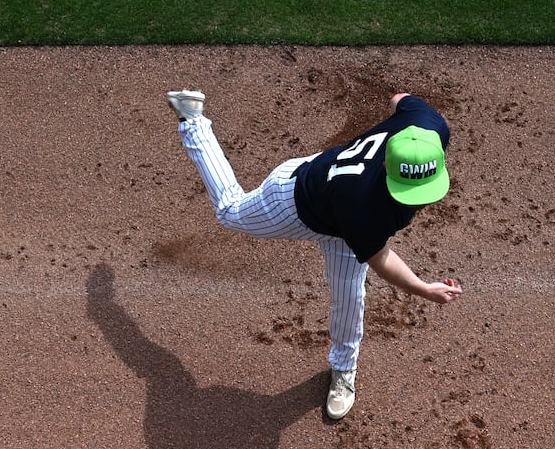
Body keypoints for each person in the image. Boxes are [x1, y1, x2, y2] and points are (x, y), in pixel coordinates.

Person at [165, 88, 463, 420]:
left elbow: (399, 99)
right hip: (296, 200)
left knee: (349, 295)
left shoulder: (429, 126)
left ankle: (343, 371)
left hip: (335, 186)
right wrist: (423, 289)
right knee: (230, 212)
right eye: (409, 191)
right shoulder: (364, 205)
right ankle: (193, 121)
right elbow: (382, 260)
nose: (420, 200)